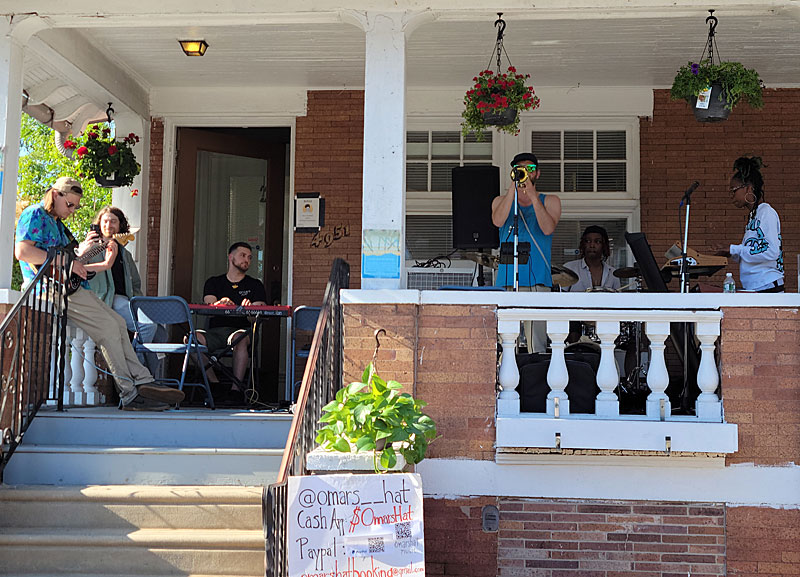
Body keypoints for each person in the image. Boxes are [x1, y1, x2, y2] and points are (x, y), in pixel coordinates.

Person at [14, 177, 184, 411]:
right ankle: (131, 392)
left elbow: (69, 259)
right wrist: (70, 265)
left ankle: (143, 382)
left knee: (117, 322)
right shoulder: (35, 214)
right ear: (56, 195)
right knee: (109, 327)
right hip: (52, 289)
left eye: (75, 207)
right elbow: (23, 251)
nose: (72, 211)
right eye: (70, 205)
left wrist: (81, 258)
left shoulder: (56, 222)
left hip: (72, 287)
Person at [492, 152, 562, 353]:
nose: (525, 172)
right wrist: (512, 191)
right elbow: (497, 221)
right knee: (506, 342)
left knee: (536, 344)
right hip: (506, 280)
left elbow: (548, 228)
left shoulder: (550, 201)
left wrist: (531, 195)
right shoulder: (500, 200)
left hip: (537, 281)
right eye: (519, 169)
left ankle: (534, 382)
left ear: (537, 174)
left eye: (530, 169)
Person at [85, 206, 163, 376]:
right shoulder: (92, 248)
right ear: (99, 224)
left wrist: (139, 303)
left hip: (126, 300)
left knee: (161, 334)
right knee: (148, 327)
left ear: (120, 225)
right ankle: (135, 372)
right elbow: (78, 270)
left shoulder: (124, 253)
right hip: (107, 298)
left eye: (113, 221)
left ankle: (154, 380)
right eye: (105, 221)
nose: (109, 224)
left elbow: (135, 283)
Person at [197, 242, 267, 396]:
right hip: (215, 332)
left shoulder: (255, 285)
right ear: (231, 257)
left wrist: (248, 310)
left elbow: (255, 320)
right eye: (243, 255)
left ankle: (236, 390)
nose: (246, 260)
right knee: (191, 339)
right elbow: (209, 308)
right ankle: (214, 384)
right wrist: (219, 304)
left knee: (239, 337)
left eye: (249, 257)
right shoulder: (213, 282)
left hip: (243, 332)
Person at [713, 156, 784, 292]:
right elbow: (754, 253)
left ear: (748, 189)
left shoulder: (766, 212)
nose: (731, 196)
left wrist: (735, 249)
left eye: (733, 190)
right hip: (755, 287)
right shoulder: (754, 216)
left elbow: (771, 251)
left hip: (767, 286)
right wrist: (731, 253)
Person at [563, 226, 621, 292]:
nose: (592, 245)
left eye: (597, 241)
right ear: (583, 244)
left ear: (604, 245)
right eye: (588, 241)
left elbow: (617, 300)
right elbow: (560, 298)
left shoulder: (613, 273)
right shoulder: (569, 268)